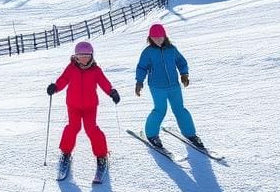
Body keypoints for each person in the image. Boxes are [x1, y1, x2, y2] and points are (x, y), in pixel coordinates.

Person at [46, 40, 119, 178]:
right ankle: (65, 153)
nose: (84, 58)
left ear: (91, 56)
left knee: (91, 129)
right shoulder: (71, 68)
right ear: (76, 56)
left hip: (90, 106)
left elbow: (104, 82)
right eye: (81, 55)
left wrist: (112, 92)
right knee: (73, 127)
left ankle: (102, 156)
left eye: (87, 55)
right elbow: (63, 79)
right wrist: (55, 87)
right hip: (73, 105)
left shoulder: (96, 70)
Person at [135, 23, 203, 149]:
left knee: (180, 109)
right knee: (160, 110)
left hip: (174, 86)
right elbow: (142, 67)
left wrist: (184, 74)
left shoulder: (171, 49)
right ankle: (152, 134)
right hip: (157, 87)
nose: (158, 40)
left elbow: (181, 62)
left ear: (165, 36)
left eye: (160, 37)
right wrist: (139, 82)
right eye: (154, 38)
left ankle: (190, 134)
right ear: (150, 38)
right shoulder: (148, 52)